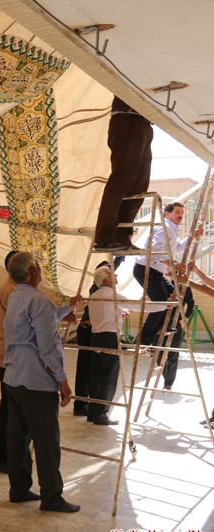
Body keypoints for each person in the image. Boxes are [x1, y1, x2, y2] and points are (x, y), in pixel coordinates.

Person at [4, 252, 81, 513]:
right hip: (36, 382)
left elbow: (40, 321)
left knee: (18, 439)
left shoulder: (17, 296)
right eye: (38, 266)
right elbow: (48, 347)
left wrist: (66, 308)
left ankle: (19, 489)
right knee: (46, 442)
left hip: (14, 378)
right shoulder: (38, 301)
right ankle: (52, 497)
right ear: (33, 271)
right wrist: (62, 380)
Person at [134, 201, 202, 345]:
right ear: (167, 214)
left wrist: (193, 236)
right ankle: (141, 341)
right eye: (177, 212)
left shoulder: (172, 229)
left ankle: (165, 327)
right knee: (160, 304)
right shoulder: (164, 227)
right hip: (146, 270)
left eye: (182, 213)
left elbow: (176, 249)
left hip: (156, 272)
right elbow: (156, 249)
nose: (180, 215)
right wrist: (173, 265)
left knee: (176, 296)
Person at [93, 97, 153, 251]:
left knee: (139, 186)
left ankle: (121, 236)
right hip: (127, 120)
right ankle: (104, 237)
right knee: (121, 182)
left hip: (143, 124)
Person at [86, 266, 142, 425]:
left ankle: (92, 411)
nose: (116, 274)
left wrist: (118, 314)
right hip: (110, 338)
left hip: (96, 337)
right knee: (109, 377)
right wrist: (163, 304)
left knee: (96, 375)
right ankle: (101, 414)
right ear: (105, 280)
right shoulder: (113, 295)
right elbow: (138, 305)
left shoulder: (94, 296)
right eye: (112, 274)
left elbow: (104, 314)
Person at [0, 250, 19, 474]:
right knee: (10, 409)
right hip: (9, 358)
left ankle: (7, 455)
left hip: (8, 356)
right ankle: (4, 456)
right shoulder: (10, 291)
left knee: (9, 407)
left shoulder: (14, 290)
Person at [73, 261, 112, 417]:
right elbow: (91, 316)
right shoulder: (98, 289)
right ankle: (81, 404)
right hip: (87, 330)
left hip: (91, 330)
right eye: (109, 271)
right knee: (86, 368)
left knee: (91, 369)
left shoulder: (101, 290)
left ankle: (86, 404)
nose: (114, 274)